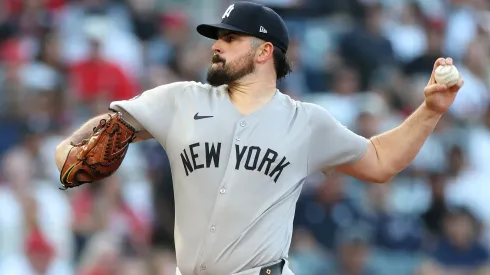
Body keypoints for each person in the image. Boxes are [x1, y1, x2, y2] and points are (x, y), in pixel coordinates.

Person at [54, 1, 464, 275]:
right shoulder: (179, 100)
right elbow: (86, 140)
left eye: (230, 38)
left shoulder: (305, 122)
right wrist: (71, 149)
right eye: (218, 37)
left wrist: (430, 111)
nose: (217, 45)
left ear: (266, 51)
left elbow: (379, 161)